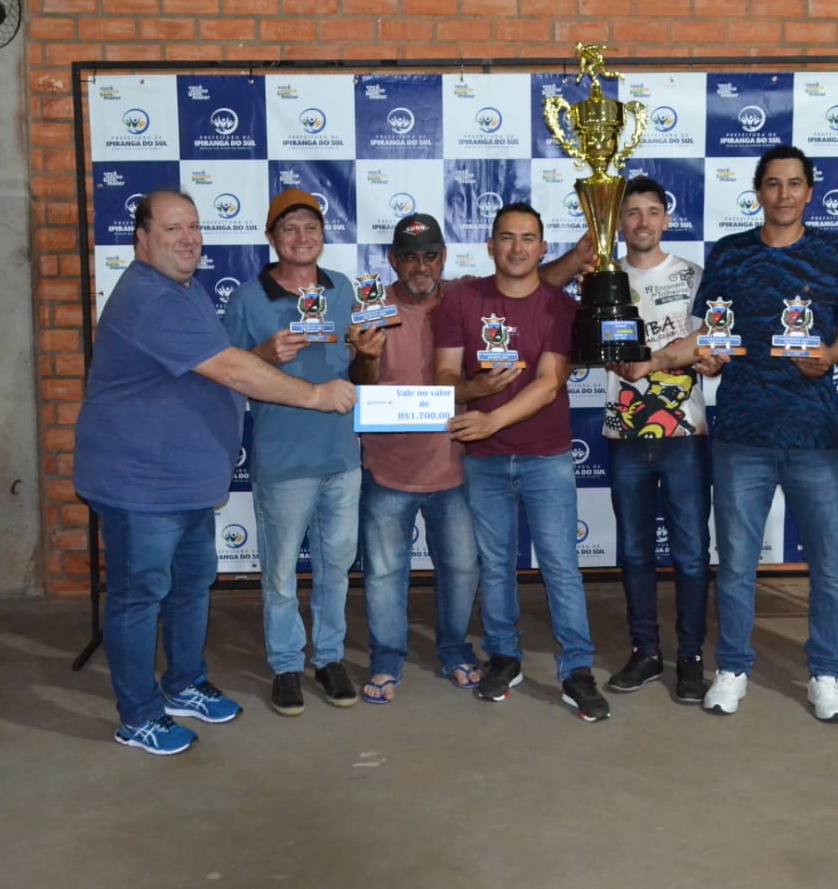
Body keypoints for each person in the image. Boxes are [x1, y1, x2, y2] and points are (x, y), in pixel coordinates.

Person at [74, 190, 356, 755]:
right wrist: (316, 395)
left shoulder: (186, 290)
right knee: (138, 598)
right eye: (172, 229)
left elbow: (228, 362)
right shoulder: (149, 298)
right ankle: (138, 716)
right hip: (141, 484)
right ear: (141, 238)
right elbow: (232, 368)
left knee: (189, 587)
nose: (188, 239)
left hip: (186, 480)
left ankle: (183, 684)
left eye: (194, 227)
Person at [626, 145, 838, 721]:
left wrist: (829, 356)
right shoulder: (730, 254)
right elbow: (710, 337)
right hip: (741, 435)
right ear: (758, 193)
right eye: (773, 184)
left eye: (794, 183)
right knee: (734, 565)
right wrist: (668, 361)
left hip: (813, 436)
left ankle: (826, 674)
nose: (784, 194)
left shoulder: (836, 252)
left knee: (829, 568)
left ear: (809, 191)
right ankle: (732, 668)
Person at [354, 215, 595, 706]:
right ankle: (413, 658)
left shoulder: (487, 298)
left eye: (430, 255)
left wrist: (578, 257)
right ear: (393, 260)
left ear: (444, 257)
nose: (421, 266)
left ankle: (566, 667)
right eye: (409, 257)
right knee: (408, 572)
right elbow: (375, 380)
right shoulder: (388, 307)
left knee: (510, 568)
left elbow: (533, 308)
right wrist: (474, 391)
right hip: (414, 462)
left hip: (475, 461)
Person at [433, 203, 611, 722]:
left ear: (542, 247)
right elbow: (444, 378)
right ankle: (504, 656)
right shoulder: (462, 299)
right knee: (496, 565)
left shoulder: (561, 306)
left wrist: (492, 419)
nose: (517, 247)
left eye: (528, 238)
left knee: (560, 565)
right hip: (484, 461)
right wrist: (474, 390)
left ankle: (577, 669)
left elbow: (550, 382)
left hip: (546, 457)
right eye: (507, 237)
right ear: (490, 245)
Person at [222, 189, 385, 717]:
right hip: (283, 461)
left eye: (311, 227)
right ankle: (287, 664)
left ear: (323, 235)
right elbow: (225, 374)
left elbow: (358, 375)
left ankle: (330, 658)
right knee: (280, 574)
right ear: (271, 237)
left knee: (336, 568)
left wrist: (367, 355)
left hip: (341, 457)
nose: (301, 237)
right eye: (289, 228)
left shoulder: (343, 290)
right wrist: (262, 354)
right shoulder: (248, 299)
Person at [601, 176, 714, 704]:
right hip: (623, 433)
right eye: (632, 213)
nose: (642, 221)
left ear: (667, 219)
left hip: (684, 433)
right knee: (634, 553)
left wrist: (684, 357)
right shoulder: (603, 277)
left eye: (652, 211)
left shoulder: (693, 275)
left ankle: (691, 658)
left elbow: (710, 339)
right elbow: (590, 342)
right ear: (619, 222)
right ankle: (645, 652)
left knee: (691, 555)